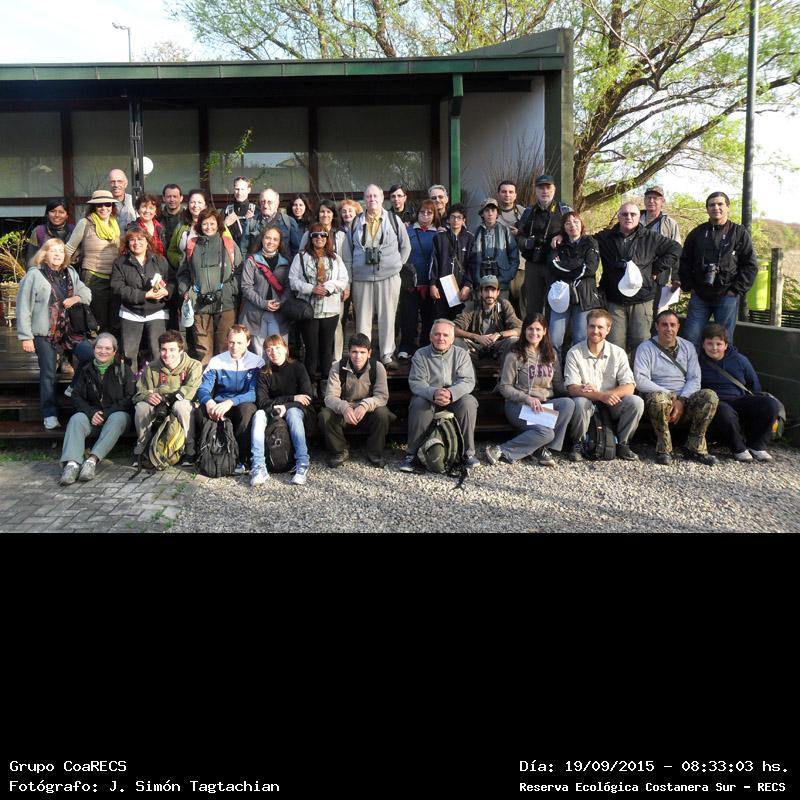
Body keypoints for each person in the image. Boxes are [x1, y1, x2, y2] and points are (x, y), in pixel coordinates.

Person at [16, 238, 94, 429]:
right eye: (53, 251)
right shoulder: (34, 275)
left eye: (61, 251)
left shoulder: (70, 272)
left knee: (91, 355)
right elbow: (23, 307)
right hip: (44, 332)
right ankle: (49, 414)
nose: (58, 254)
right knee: (49, 373)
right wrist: (26, 337)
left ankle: (72, 387)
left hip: (69, 329)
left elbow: (87, 294)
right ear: (44, 254)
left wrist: (76, 298)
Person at [486, 313, 575, 467]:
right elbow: (504, 387)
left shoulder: (551, 354)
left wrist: (579, 388)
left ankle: (541, 448)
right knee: (546, 432)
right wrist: (526, 398)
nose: (534, 333)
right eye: (530, 329)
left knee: (568, 404)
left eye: (538, 329)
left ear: (545, 331)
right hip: (519, 405)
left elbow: (559, 385)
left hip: (543, 406)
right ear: (524, 331)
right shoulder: (515, 355)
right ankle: (501, 450)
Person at [633, 310, 719, 465]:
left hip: (684, 397)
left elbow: (694, 378)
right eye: (664, 325)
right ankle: (664, 449)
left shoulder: (688, 347)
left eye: (672, 325)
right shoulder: (645, 348)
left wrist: (682, 400)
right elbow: (640, 380)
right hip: (657, 399)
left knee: (710, 396)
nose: (669, 329)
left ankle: (695, 447)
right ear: (657, 326)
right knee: (659, 399)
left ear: (678, 327)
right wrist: (669, 394)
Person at [595, 202, 681, 353]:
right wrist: (561, 235)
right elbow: (581, 241)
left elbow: (676, 248)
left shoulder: (650, 237)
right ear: (618, 217)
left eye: (633, 214)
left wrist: (656, 268)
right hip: (614, 299)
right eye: (624, 214)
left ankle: (640, 369)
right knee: (615, 345)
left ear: (638, 217)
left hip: (642, 298)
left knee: (641, 343)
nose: (629, 217)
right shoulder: (605, 237)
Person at [563, 308, 645, 461]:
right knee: (579, 402)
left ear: (608, 329)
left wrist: (607, 395)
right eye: (592, 326)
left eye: (600, 327)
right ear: (586, 327)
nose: (595, 331)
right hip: (587, 402)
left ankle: (622, 444)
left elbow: (629, 386)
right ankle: (578, 444)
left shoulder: (618, 353)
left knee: (636, 402)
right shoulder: (574, 353)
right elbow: (572, 388)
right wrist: (600, 396)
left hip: (612, 403)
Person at [399, 319, 480, 472]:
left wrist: (451, 392)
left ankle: (467, 454)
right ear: (430, 336)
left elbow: (468, 381)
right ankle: (412, 455)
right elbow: (416, 382)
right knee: (418, 403)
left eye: (445, 335)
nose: (440, 338)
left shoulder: (461, 354)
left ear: (452, 338)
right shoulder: (420, 355)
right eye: (437, 334)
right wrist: (433, 392)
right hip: (429, 397)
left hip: (455, 397)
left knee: (469, 402)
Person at [678, 191, 758, 346]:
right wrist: (690, 286)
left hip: (727, 295)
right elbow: (684, 261)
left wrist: (735, 290)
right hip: (700, 295)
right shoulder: (697, 233)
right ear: (707, 209)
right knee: (691, 337)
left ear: (728, 207)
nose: (716, 207)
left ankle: (723, 364)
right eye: (712, 205)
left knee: (724, 340)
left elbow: (750, 265)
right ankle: (693, 363)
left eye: (720, 204)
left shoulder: (739, 233)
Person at [58, 333, 134, 485]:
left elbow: (129, 397)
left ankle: (91, 461)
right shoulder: (86, 370)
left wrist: (105, 414)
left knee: (118, 417)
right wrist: (91, 412)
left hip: (116, 419)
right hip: (93, 417)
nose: (103, 351)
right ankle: (72, 464)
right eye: (99, 348)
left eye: (107, 348)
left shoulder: (123, 370)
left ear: (114, 351)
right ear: (94, 350)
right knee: (76, 419)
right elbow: (76, 396)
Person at [350, 184, 411, 371]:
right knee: (363, 319)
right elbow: (348, 251)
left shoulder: (393, 220)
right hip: (362, 278)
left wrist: (396, 266)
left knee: (388, 316)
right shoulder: (356, 222)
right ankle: (362, 356)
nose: (372, 199)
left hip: (388, 277)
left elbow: (406, 246)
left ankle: (386, 355)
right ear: (364, 199)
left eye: (375, 196)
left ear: (382, 198)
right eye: (368, 196)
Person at [699, 322, 780, 462]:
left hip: (738, 399)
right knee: (723, 410)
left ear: (726, 345)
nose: (714, 348)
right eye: (710, 344)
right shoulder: (696, 361)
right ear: (703, 344)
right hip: (715, 402)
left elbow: (754, 385)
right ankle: (739, 449)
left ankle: (757, 446)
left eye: (718, 344)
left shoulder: (740, 360)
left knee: (770, 404)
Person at [176, 208, 242, 365]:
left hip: (225, 303)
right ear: (199, 225)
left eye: (212, 223)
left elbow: (240, 271)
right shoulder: (192, 245)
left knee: (226, 347)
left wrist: (229, 290)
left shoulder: (228, 244)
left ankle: (224, 379)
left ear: (218, 224)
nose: (209, 227)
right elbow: (183, 273)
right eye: (205, 223)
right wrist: (185, 291)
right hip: (199, 304)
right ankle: (205, 379)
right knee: (203, 349)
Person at [319, 332, 395, 468]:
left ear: (369, 353)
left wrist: (365, 405)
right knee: (325, 415)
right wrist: (344, 407)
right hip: (345, 414)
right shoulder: (337, 367)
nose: (358, 356)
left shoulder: (378, 367)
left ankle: (375, 452)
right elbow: (330, 397)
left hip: (368, 413)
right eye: (354, 352)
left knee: (383, 413)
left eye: (362, 352)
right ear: (349, 352)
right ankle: (340, 451)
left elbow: (382, 396)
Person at [197, 324, 264, 473]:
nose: (235, 347)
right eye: (232, 342)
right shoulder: (216, 361)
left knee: (247, 411)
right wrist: (209, 402)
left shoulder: (257, 362)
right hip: (221, 402)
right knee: (201, 410)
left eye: (240, 343)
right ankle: (207, 454)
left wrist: (231, 402)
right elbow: (203, 389)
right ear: (227, 341)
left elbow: (253, 393)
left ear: (248, 342)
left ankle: (241, 458)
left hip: (242, 402)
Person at [289, 222, 349, 383]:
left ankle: (325, 383)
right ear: (310, 238)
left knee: (326, 349)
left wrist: (328, 288)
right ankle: (309, 385)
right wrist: (311, 288)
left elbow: (343, 279)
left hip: (330, 310)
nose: (319, 238)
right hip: (309, 311)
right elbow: (293, 280)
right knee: (311, 349)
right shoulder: (301, 257)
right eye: (315, 235)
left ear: (327, 238)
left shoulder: (335, 258)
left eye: (323, 235)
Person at [250, 334, 313, 486]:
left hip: (296, 410)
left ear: (285, 349)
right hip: (271, 409)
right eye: (269, 349)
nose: (274, 352)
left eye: (277, 348)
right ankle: (258, 466)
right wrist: (291, 398)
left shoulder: (298, 367)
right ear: (266, 353)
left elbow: (307, 398)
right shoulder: (263, 372)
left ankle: (302, 462)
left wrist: (286, 406)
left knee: (293, 413)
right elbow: (262, 402)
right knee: (258, 414)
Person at [133, 329, 203, 462]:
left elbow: (192, 390)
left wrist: (167, 395)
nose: (167, 354)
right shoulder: (151, 367)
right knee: (141, 407)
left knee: (181, 405)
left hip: (183, 406)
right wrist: (147, 396)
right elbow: (138, 394)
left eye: (172, 350)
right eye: (163, 350)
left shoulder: (194, 365)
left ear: (181, 350)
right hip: (159, 407)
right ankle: (142, 448)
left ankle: (190, 449)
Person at [110, 228, 174, 368]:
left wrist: (166, 291)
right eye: (132, 240)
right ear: (127, 243)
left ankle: (156, 381)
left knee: (158, 353)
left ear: (147, 242)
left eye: (140, 239)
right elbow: (118, 288)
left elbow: (171, 282)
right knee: (129, 355)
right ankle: (130, 382)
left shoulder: (160, 260)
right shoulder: (119, 263)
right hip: (130, 313)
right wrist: (144, 295)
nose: (136, 243)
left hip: (156, 312)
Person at [300, 199, 353, 361]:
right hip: (312, 291)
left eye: (328, 211)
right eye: (322, 211)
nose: (325, 214)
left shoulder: (340, 236)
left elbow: (347, 261)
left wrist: (346, 285)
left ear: (333, 215)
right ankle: (316, 360)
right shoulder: (308, 234)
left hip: (334, 290)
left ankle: (336, 359)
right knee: (313, 326)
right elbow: (301, 259)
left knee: (336, 324)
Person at [65, 189, 122, 335]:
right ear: (93, 207)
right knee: (97, 320)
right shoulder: (85, 223)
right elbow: (70, 247)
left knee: (113, 319)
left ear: (112, 206)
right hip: (93, 277)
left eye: (107, 204)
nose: (104, 208)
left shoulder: (114, 224)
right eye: (99, 205)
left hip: (114, 278)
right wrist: (56, 269)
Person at [546, 211, 601, 355]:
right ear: (563, 227)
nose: (572, 225)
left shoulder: (591, 242)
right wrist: (578, 263)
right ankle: (555, 369)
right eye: (568, 223)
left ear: (581, 224)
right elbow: (553, 265)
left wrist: (565, 266)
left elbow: (590, 268)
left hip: (584, 297)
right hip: (560, 296)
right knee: (554, 338)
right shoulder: (558, 243)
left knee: (580, 338)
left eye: (576, 222)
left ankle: (576, 369)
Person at [517, 174, 570, 315]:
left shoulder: (564, 210)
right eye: (541, 188)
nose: (545, 191)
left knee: (555, 305)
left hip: (555, 265)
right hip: (533, 265)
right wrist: (527, 242)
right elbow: (519, 236)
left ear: (554, 189)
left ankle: (552, 330)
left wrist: (562, 236)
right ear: (536, 190)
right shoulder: (528, 212)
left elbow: (577, 233)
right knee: (532, 307)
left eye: (548, 187)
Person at [239, 225, 291, 356]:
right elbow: (246, 287)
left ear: (279, 242)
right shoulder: (251, 261)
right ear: (262, 239)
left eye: (275, 239)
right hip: (256, 314)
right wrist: (263, 303)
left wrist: (281, 302)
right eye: (268, 238)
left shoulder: (285, 263)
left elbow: (289, 288)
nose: (271, 242)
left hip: (279, 314)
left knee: (278, 352)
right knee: (260, 355)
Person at [398, 199, 440, 360]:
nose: (425, 215)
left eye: (429, 213)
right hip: (409, 283)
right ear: (417, 213)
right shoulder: (408, 230)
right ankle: (405, 346)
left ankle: (424, 347)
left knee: (428, 318)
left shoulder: (439, 233)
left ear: (434, 215)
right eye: (422, 212)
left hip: (429, 284)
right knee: (408, 317)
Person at [454, 275, 521, 363]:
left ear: (498, 292)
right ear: (480, 292)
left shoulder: (504, 305)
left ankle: (506, 371)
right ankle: (467, 371)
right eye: (486, 290)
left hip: (498, 346)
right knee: (457, 341)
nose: (489, 294)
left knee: (514, 341)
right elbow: (453, 329)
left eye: (493, 290)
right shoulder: (472, 305)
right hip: (477, 346)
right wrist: (476, 337)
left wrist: (499, 335)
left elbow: (519, 329)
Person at [429, 203, 474, 326]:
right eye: (453, 217)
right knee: (441, 321)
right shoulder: (439, 238)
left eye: (459, 217)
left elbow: (472, 264)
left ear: (464, 220)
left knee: (459, 323)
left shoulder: (470, 239)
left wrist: (468, 285)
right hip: (442, 288)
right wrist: (432, 284)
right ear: (448, 219)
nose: (456, 220)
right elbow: (434, 262)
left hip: (461, 288)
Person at [470, 198, 519, 301]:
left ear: (497, 213)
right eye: (487, 210)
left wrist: (508, 276)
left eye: (493, 210)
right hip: (480, 284)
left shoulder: (505, 231)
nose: (490, 213)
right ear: (482, 213)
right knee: (481, 310)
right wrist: (476, 278)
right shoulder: (475, 232)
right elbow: (470, 259)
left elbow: (514, 256)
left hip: (501, 284)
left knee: (502, 309)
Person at [496, 180, 528, 318]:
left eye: (510, 192)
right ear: (498, 194)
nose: (507, 195)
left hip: (521, 266)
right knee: (501, 307)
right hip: (499, 267)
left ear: (515, 195)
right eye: (503, 191)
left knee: (521, 306)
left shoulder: (524, 212)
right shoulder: (492, 212)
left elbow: (532, 234)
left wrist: (519, 232)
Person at [242, 188, 301, 259]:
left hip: (283, 265)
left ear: (277, 204)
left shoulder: (288, 222)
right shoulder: (250, 222)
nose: (265, 206)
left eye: (269, 202)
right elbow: (243, 250)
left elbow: (297, 250)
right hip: (257, 264)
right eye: (263, 202)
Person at [26, 198, 75, 265]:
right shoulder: (39, 231)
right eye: (53, 211)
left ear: (67, 215)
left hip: (69, 270)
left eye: (61, 212)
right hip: (42, 271)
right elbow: (30, 260)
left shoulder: (74, 231)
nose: (57, 215)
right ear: (47, 214)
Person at [222, 176, 255, 252]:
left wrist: (253, 223)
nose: (239, 193)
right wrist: (225, 224)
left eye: (242, 189)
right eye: (237, 189)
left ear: (249, 190)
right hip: (231, 252)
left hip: (250, 254)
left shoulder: (255, 210)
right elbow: (216, 234)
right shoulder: (226, 210)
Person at [158, 184, 184, 250]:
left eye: (175, 196)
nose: (172, 199)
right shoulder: (157, 219)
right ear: (163, 198)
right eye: (168, 197)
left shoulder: (188, 218)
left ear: (181, 198)